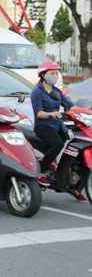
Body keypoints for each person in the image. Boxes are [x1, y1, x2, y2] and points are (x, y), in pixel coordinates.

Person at [30, 60, 83, 195]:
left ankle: (63, 172)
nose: (55, 75)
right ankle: (40, 170)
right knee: (57, 144)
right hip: (43, 125)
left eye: (56, 73)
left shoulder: (56, 91)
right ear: (43, 74)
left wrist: (83, 111)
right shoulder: (37, 92)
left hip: (58, 125)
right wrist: (51, 114)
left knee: (70, 139)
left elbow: (69, 105)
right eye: (51, 73)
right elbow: (39, 113)